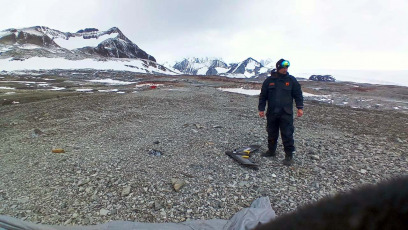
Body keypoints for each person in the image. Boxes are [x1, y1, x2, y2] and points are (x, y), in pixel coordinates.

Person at [258, 59, 303, 166]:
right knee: (271, 132)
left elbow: (298, 94)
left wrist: (300, 107)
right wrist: (261, 109)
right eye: (283, 68)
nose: (285, 70)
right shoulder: (269, 81)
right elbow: (263, 96)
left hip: (286, 113)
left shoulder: (291, 80)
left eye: (287, 68)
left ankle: (288, 156)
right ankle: (271, 151)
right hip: (272, 112)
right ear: (278, 67)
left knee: (287, 134)